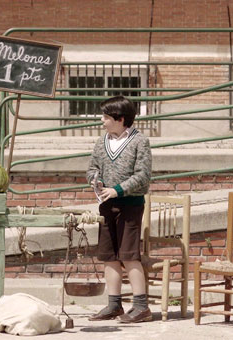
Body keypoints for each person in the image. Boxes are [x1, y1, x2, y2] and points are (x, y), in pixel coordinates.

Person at [86, 95, 152, 323]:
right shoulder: (101, 141)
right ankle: (114, 305)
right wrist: (96, 181)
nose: (102, 121)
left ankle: (142, 306)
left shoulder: (140, 141)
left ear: (120, 119)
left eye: (105, 117)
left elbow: (143, 175)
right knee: (109, 256)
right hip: (106, 205)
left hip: (130, 206)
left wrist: (118, 190)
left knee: (129, 255)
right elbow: (92, 167)